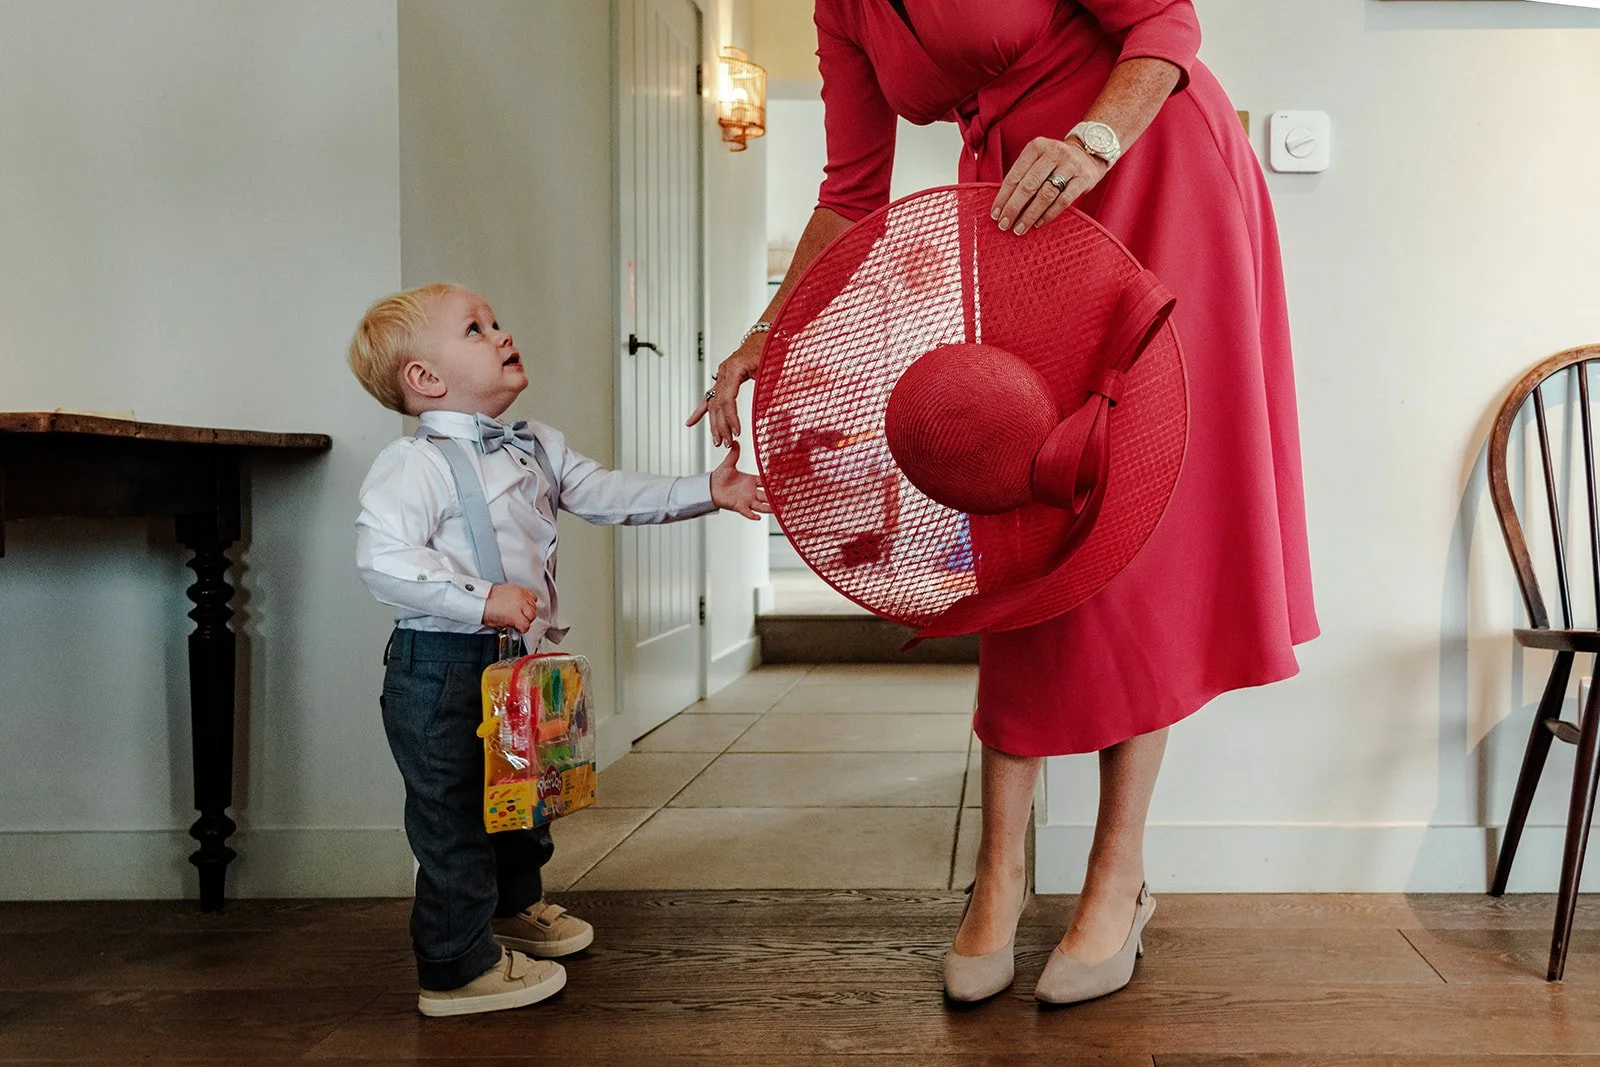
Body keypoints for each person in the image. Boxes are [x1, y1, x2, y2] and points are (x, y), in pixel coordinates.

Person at [690, 0, 1317, 1004]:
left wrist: (1091, 140)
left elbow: (1163, 25)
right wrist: (773, 325)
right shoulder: (837, 8)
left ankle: (1118, 875)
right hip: (1012, 207)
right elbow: (850, 190)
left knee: (1135, 515)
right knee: (1020, 512)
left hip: (1147, 165)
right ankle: (1000, 874)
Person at [352, 283, 768, 1016]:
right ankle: (456, 966)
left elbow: (608, 492)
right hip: (440, 668)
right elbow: (383, 559)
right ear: (425, 378)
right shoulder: (410, 466)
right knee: (451, 817)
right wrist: (478, 598)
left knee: (520, 804)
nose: (501, 331)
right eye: (475, 328)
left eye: (497, 319)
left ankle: (513, 908)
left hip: (515, 667)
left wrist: (708, 487)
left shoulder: (536, 444)